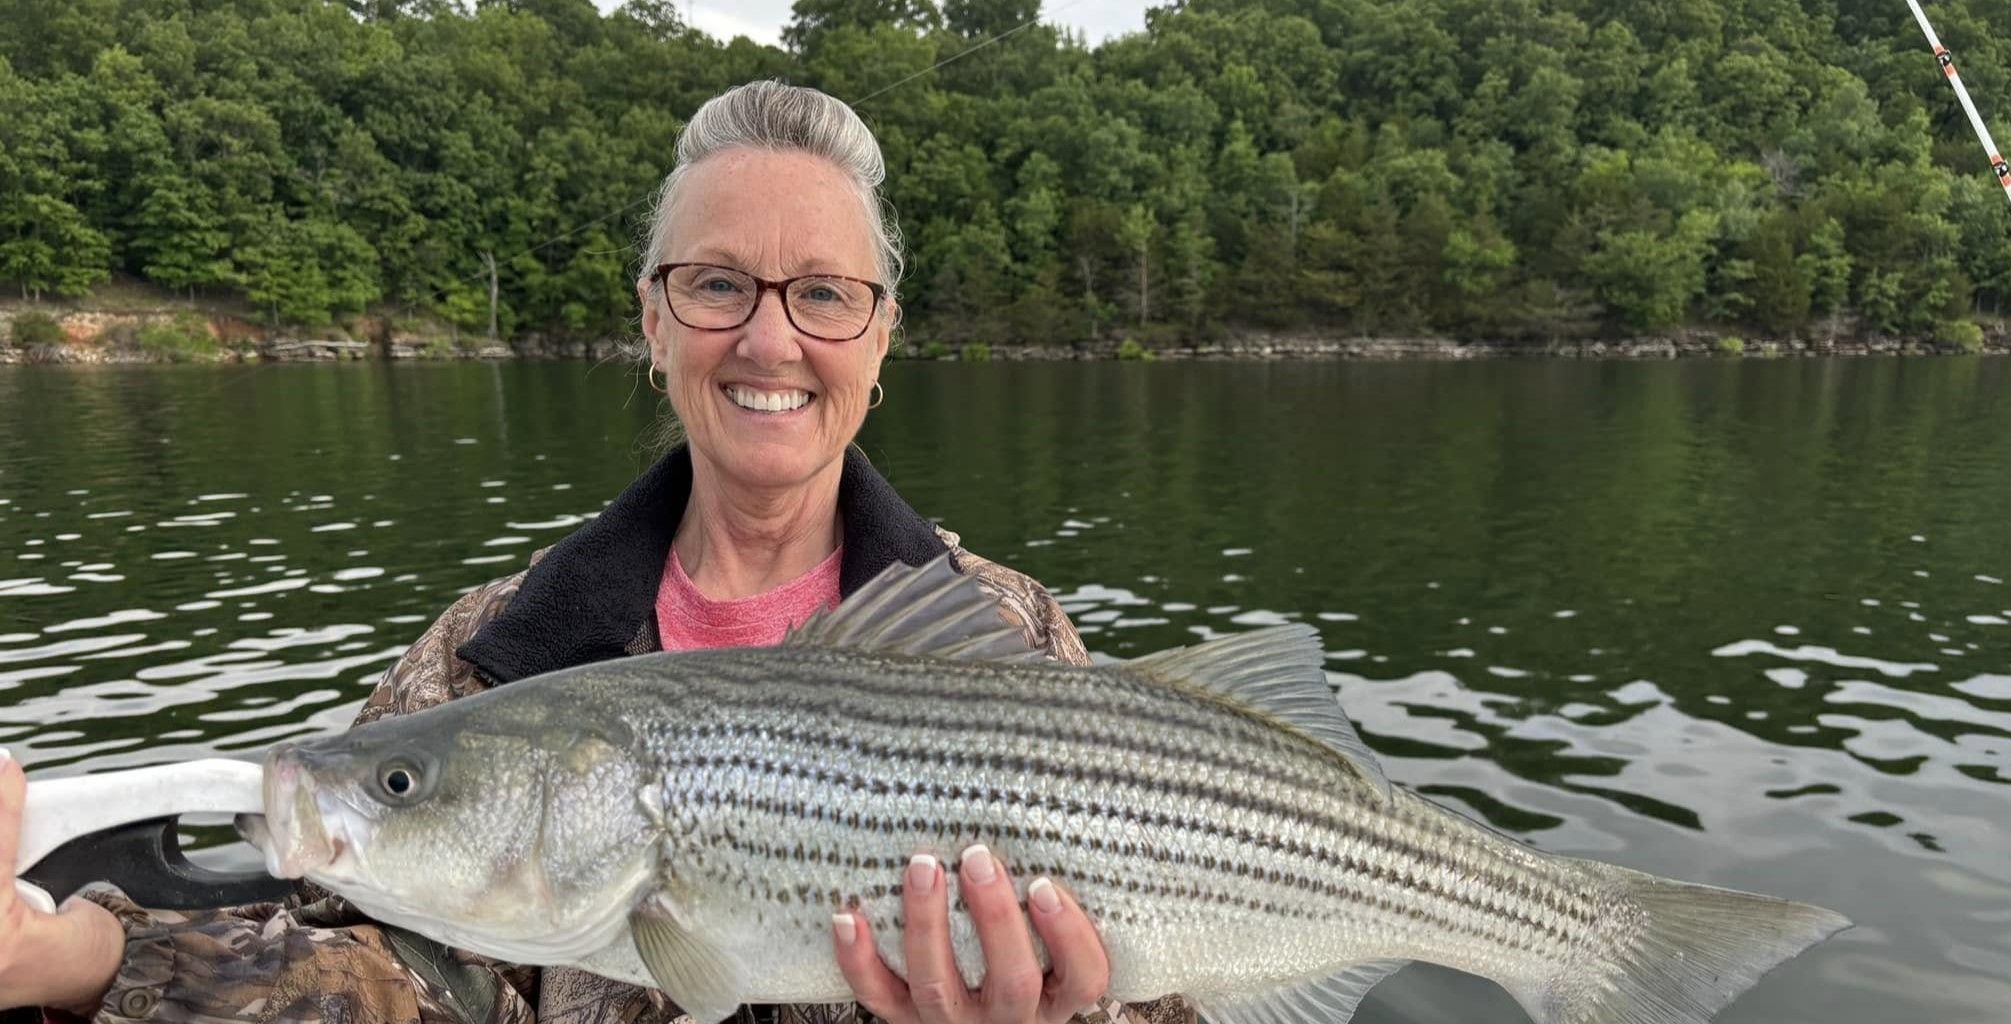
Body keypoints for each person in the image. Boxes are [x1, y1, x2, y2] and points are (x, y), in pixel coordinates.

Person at [0, 82, 1191, 1024]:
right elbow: (387, 979)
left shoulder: (1007, 631)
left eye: (825, 294)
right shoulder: (490, 655)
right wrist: (79, 955)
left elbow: (1170, 988)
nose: (769, 339)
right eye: (717, 282)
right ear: (652, 320)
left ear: (879, 338)